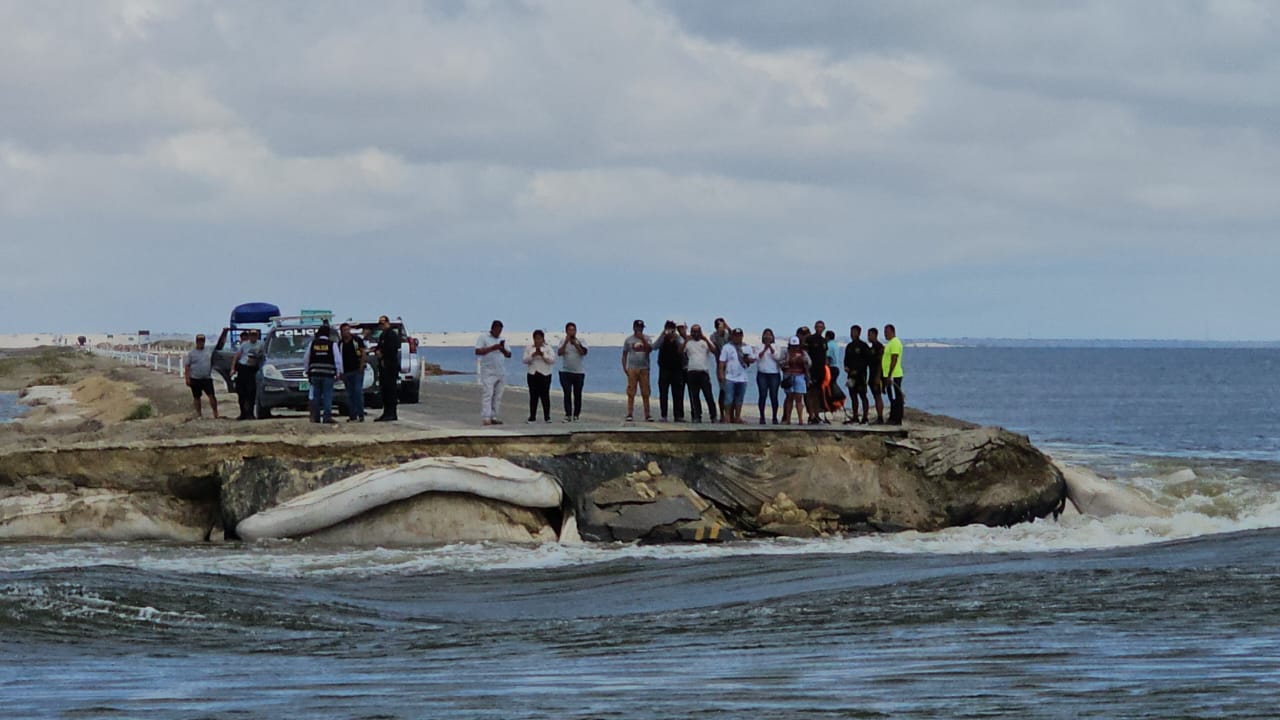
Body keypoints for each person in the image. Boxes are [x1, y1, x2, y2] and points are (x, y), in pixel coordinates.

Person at [304, 324, 343, 424]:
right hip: (328, 374)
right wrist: (339, 372)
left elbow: (306, 359)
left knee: (316, 396)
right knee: (327, 395)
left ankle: (316, 417)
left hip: (315, 374)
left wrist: (307, 371)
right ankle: (327, 417)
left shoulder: (313, 344)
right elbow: (337, 360)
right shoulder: (332, 344)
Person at [475, 320, 511, 426]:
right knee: (488, 394)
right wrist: (492, 348)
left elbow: (509, 354)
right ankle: (486, 417)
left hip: (500, 371)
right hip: (488, 371)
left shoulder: (502, 339)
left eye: (501, 330)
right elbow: (478, 351)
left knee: (498, 395)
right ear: (493, 329)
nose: (499, 332)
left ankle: (494, 416)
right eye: (497, 330)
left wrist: (502, 349)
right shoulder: (484, 337)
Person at [717, 328, 755, 424]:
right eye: (735, 336)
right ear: (732, 336)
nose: (737, 338)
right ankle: (727, 417)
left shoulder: (747, 347)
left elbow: (751, 360)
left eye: (739, 336)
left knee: (739, 398)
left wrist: (749, 359)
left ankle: (737, 417)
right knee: (728, 398)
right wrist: (721, 374)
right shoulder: (727, 347)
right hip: (730, 377)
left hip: (742, 377)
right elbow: (721, 362)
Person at [683, 323, 718, 423]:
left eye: (697, 331)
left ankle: (713, 416)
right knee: (694, 396)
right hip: (692, 372)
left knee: (708, 395)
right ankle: (697, 416)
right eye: (694, 331)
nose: (696, 333)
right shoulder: (688, 343)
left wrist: (705, 339)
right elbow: (680, 351)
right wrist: (686, 340)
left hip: (703, 372)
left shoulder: (704, 342)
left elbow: (714, 351)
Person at [654, 320, 686, 422]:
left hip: (677, 369)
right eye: (667, 329)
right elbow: (654, 347)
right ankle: (664, 415)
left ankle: (679, 415)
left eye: (671, 329)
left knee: (678, 393)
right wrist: (662, 335)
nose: (669, 332)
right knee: (663, 393)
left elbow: (683, 347)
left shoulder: (678, 339)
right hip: (664, 370)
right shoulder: (662, 339)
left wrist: (676, 337)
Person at [621, 319, 653, 422]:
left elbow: (649, 350)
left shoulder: (647, 339)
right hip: (632, 368)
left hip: (644, 368)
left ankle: (647, 414)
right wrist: (625, 368)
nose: (640, 329)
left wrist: (642, 339)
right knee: (631, 391)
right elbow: (624, 354)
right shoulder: (628, 340)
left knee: (646, 392)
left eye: (641, 327)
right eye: (638, 327)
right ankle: (630, 413)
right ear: (634, 327)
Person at [557, 322, 588, 422]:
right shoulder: (562, 341)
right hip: (565, 371)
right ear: (566, 331)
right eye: (570, 330)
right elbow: (559, 353)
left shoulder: (581, 341)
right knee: (567, 393)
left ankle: (576, 415)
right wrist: (566, 342)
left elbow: (583, 353)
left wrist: (575, 344)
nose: (572, 332)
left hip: (578, 372)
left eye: (573, 330)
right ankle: (568, 414)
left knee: (577, 394)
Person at [183, 333, 219, 419]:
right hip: (195, 378)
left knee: (211, 396)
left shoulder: (208, 351)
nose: (201, 342)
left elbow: (218, 349)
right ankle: (199, 414)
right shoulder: (192, 353)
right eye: (199, 341)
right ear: (196, 341)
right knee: (196, 397)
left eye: (202, 341)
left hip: (206, 378)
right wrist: (187, 378)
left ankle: (215, 412)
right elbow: (187, 366)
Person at [229, 328, 263, 420]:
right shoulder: (244, 345)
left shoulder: (261, 344)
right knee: (241, 392)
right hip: (243, 368)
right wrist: (233, 368)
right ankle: (243, 413)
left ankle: (250, 414)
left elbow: (263, 355)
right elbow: (237, 356)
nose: (253, 337)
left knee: (251, 392)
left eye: (255, 335)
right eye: (251, 335)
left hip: (253, 369)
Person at [373, 315, 402, 422]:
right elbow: (379, 346)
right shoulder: (383, 335)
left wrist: (383, 354)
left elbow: (392, 349)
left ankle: (392, 413)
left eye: (382, 323)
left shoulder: (391, 335)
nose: (381, 325)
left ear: (387, 323)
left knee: (391, 391)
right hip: (383, 367)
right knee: (384, 391)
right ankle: (386, 412)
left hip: (390, 367)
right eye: (379, 324)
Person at [523, 329, 555, 423]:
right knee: (533, 396)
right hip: (532, 374)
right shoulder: (529, 348)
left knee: (545, 396)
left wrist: (542, 354)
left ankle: (547, 417)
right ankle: (532, 417)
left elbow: (552, 360)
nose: (538, 340)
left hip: (545, 374)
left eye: (540, 338)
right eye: (536, 338)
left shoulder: (548, 348)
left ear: (543, 339)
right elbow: (524, 360)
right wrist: (533, 355)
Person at [843, 325, 871, 425]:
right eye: (851, 332)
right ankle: (855, 416)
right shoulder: (849, 346)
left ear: (859, 333)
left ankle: (865, 417)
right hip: (851, 376)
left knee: (863, 395)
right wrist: (846, 367)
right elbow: (846, 360)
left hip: (861, 376)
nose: (852, 334)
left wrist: (858, 370)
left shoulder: (863, 346)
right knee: (853, 396)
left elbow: (867, 361)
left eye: (854, 332)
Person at [755, 328, 784, 425]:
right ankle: (762, 416)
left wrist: (770, 348)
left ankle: (774, 417)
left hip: (774, 374)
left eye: (769, 335)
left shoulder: (777, 346)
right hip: (762, 373)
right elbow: (757, 358)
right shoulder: (759, 346)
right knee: (762, 395)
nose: (767, 337)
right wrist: (764, 349)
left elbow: (777, 357)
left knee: (774, 396)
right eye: (766, 335)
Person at [339, 323, 366, 422]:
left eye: (347, 329)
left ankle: (361, 414)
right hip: (346, 372)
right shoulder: (340, 343)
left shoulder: (357, 340)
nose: (346, 332)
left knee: (358, 392)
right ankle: (352, 415)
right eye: (344, 330)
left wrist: (362, 365)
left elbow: (363, 352)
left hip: (357, 370)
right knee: (350, 394)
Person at [781, 336, 811, 425]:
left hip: (800, 376)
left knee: (799, 399)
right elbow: (780, 363)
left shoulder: (803, 353)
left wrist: (802, 360)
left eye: (796, 346)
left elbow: (809, 363)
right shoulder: (786, 353)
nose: (794, 348)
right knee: (789, 398)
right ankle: (788, 419)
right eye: (792, 346)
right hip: (789, 376)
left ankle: (800, 419)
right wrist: (788, 361)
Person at [804, 323, 829, 424]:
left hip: (821, 370)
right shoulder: (810, 339)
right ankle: (811, 415)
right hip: (811, 370)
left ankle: (817, 414)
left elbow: (825, 356)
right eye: (817, 326)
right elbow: (805, 354)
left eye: (821, 327)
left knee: (818, 393)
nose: (819, 328)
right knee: (810, 392)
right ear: (815, 328)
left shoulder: (824, 341)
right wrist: (807, 370)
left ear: (824, 328)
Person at [883, 324, 905, 425]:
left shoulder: (895, 342)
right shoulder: (889, 343)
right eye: (884, 332)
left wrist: (890, 374)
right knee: (892, 397)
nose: (885, 334)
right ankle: (893, 416)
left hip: (894, 375)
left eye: (887, 332)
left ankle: (897, 418)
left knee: (897, 397)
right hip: (889, 374)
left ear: (892, 331)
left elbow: (894, 359)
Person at [710, 318, 731, 422]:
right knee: (723, 390)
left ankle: (731, 414)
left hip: (731, 367)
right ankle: (722, 414)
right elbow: (716, 350)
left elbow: (734, 339)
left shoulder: (728, 335)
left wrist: (728, 327)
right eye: (719, 325)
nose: (721, 327)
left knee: (731, 390)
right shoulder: (713, 336)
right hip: (720, 366)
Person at [867, 326, 886, 424]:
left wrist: (878, 377)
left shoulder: (879, 347)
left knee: (878, 395)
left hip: (877, 375)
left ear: (874, 335)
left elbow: (880, 362)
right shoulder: (871, 348)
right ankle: (879, 416)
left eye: (869, 335)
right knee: (875, 396)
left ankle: (880, 417)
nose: (868, 337)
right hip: (871, 374)